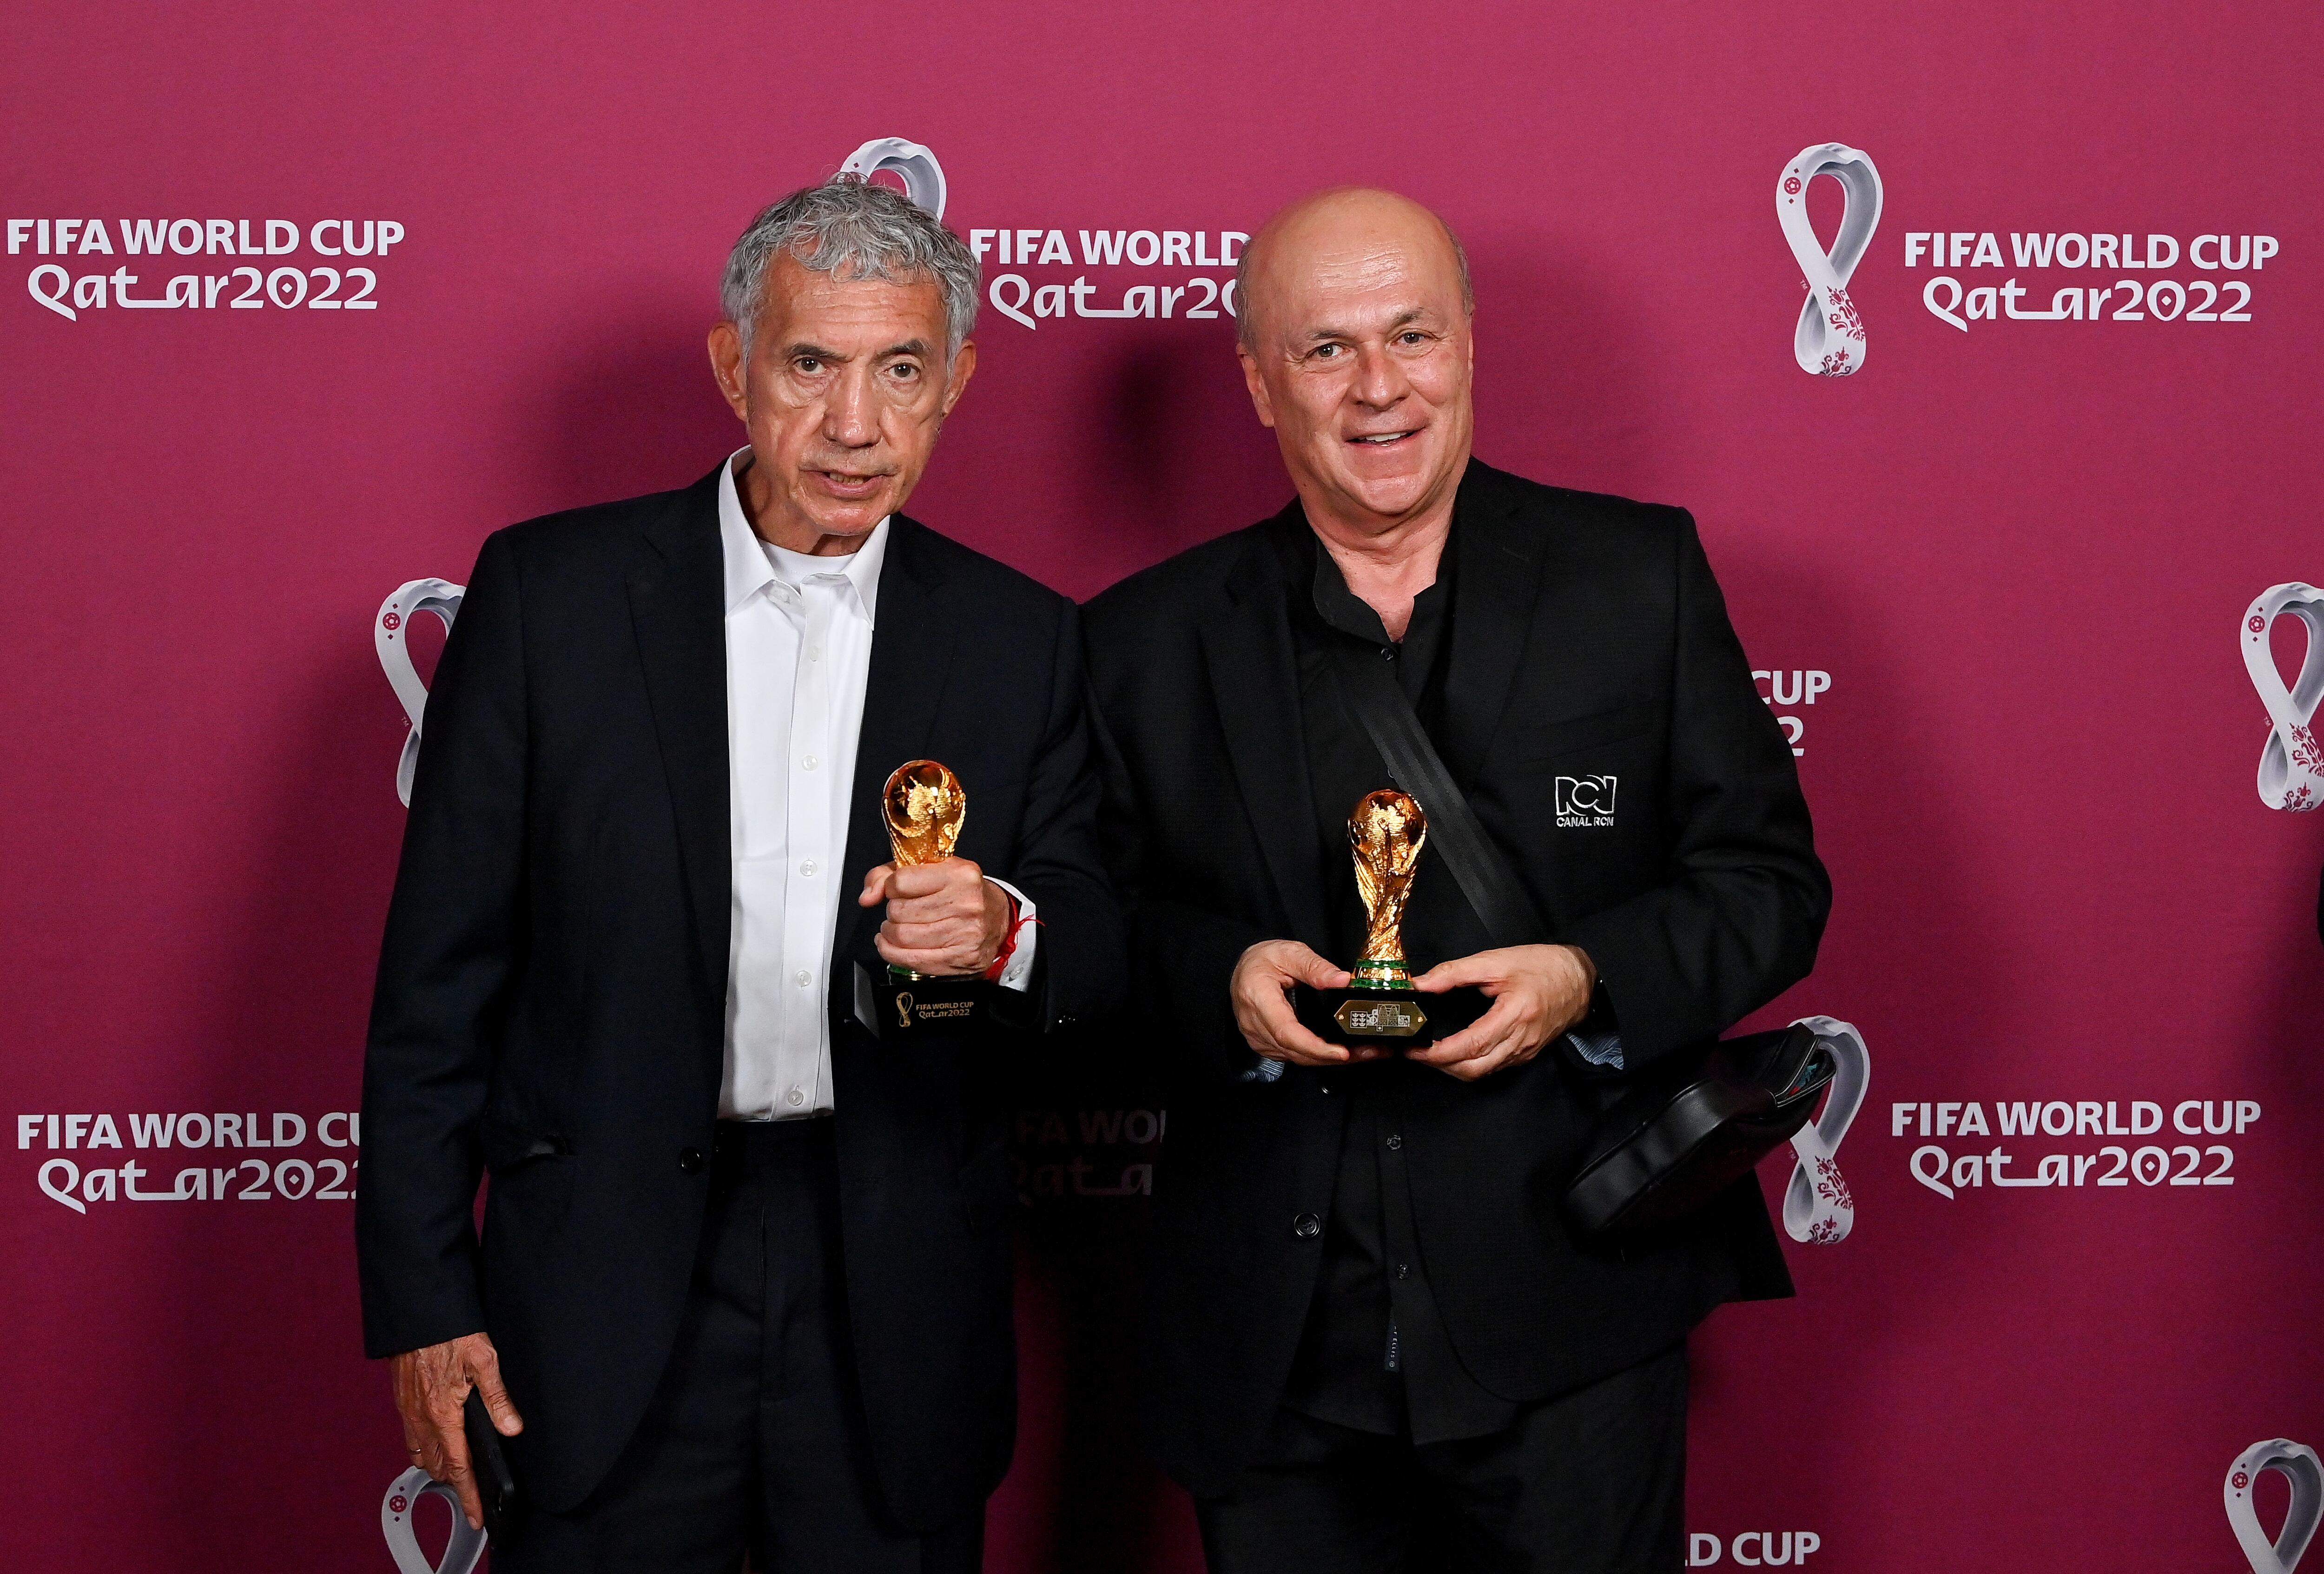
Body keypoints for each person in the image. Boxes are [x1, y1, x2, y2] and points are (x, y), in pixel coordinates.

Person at [357, 178, 1122, 1573]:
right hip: (601, 1292)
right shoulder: (547, 602)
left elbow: (1097, 945)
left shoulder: (1024, 640)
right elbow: (434, 993)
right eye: (811, 364)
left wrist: (1007, 930)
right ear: (734, 367)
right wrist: (424, 1302)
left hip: (892, 1296)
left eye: (901, 371)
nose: (854, 423)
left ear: (956, 382)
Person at [1081, 188, 1831, 1571]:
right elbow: (1087, 933)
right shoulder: (1141, 641)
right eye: (1327, 348)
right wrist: (1219, 981)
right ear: (1258, 381)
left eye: (1412, 335)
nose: (1380, 387)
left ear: (1470, 345)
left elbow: (1770, 885)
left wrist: (1586, 979)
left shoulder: (1638, 578)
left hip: (1572, 1316)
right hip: (1276, 1347)